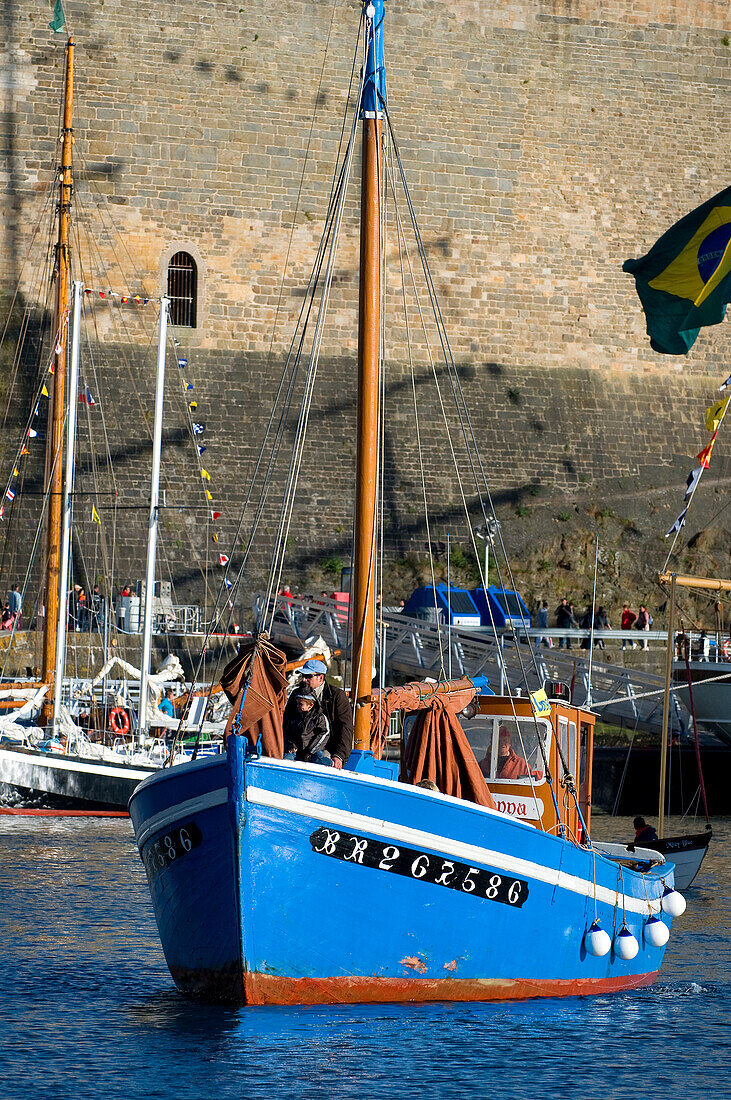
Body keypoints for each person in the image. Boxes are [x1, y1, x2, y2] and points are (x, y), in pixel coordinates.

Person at [286, 658, 353, 768]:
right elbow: (287, 722)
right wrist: (289, 745)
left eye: (308, 677)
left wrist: (339, 756)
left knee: (322, 763)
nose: (303, 680)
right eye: (302, 676)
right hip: (297, 748)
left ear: (320, 678)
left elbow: (345, 728)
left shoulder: (337, 696)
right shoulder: (296, 694)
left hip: (326, 748)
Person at [283, 688, 332, 765]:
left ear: (310, 705)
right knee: (287, 760)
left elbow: (324, 734)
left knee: (320, 760)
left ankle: (331, 767)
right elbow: (288, 733)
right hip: (296, 749)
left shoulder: (319, 718)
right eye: (297, 703)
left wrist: (311, 751)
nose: (298, 706)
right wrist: (291, 745)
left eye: (301, 704)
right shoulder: (294, 717)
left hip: (313, 750)